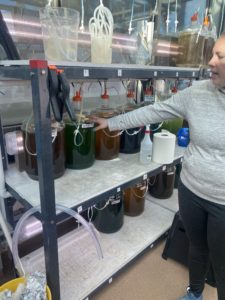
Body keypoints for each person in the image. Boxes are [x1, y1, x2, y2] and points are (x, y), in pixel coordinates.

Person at [92, 33, 225, 300]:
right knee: (197, 248)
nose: (210, 61)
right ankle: (194, 293)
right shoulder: (197, 93)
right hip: (191, 191)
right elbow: (155, 111)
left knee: (222, 265)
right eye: (212, 53)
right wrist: (114, 123)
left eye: (220, 57)